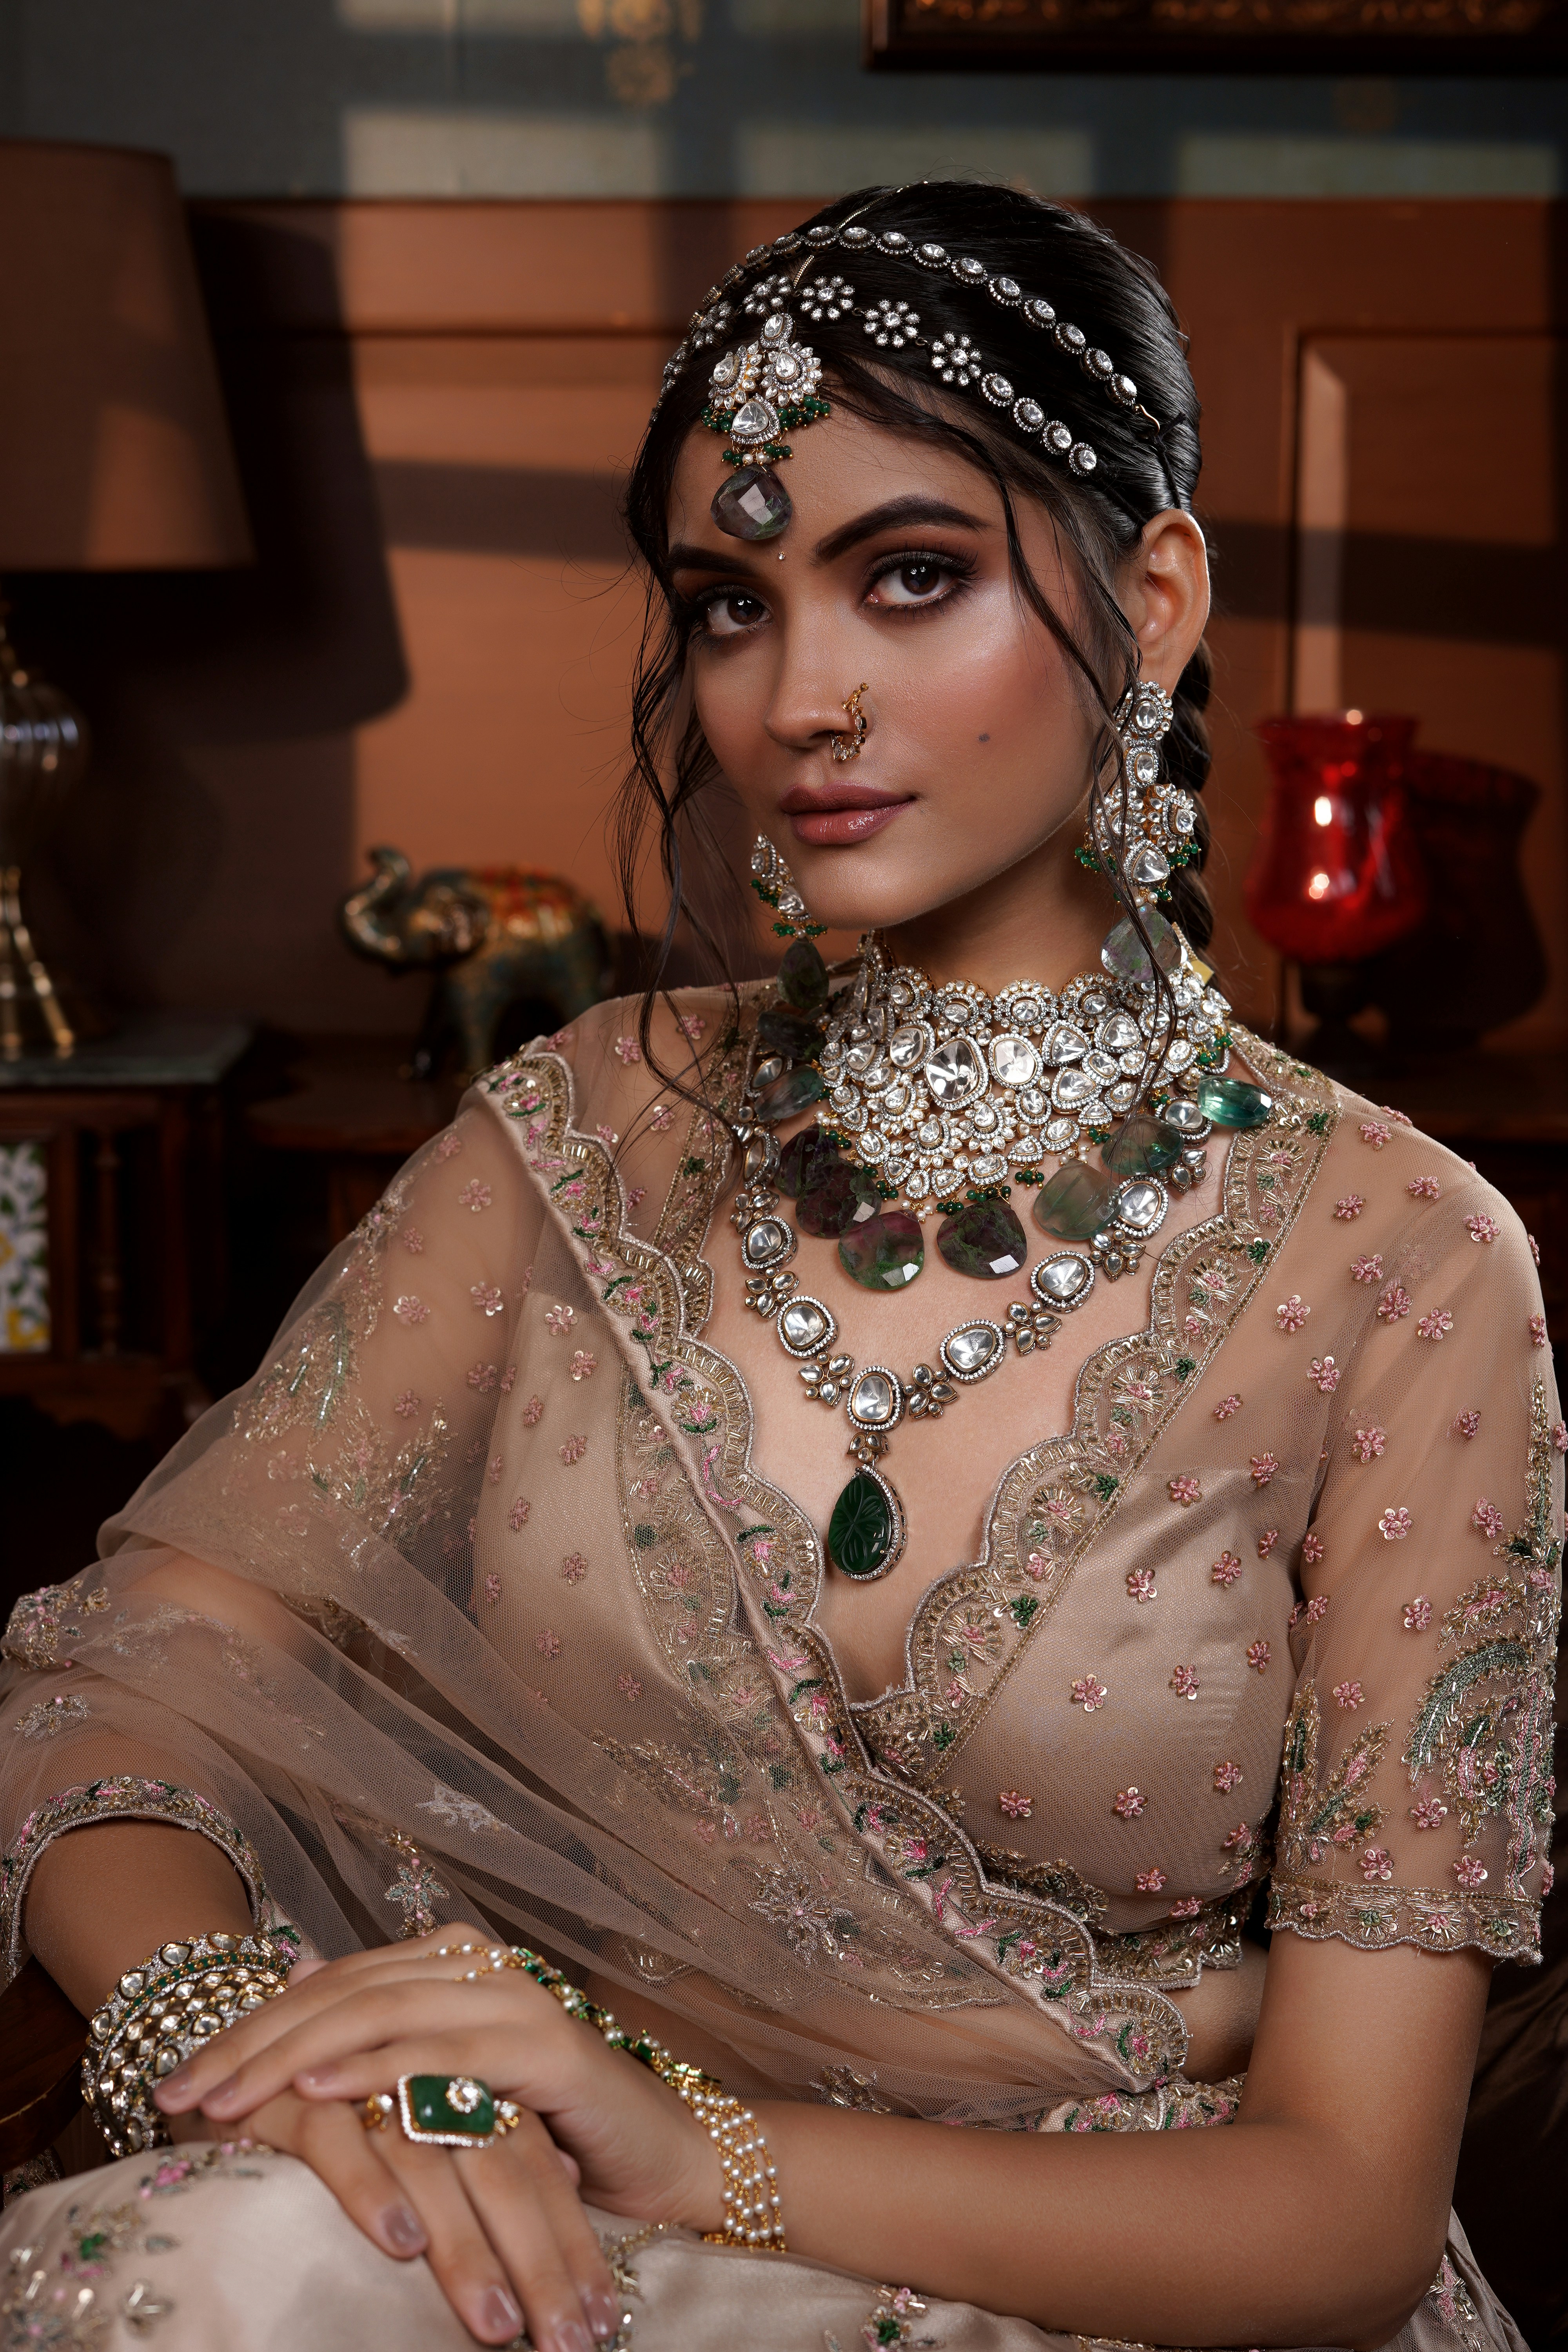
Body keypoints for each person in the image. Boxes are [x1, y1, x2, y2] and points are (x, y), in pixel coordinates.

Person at [0, 183, 1555, 2352]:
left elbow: (1350, 2211)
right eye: (730, 604)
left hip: (1105, 2282)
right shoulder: (582, 1132)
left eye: (909, 579)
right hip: (523, 2203)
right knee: (196, 2266)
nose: (802, 696)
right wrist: (234, 2025)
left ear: (1161, 596)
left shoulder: (1402, 1261)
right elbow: (135, 1661)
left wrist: (701, 2150)